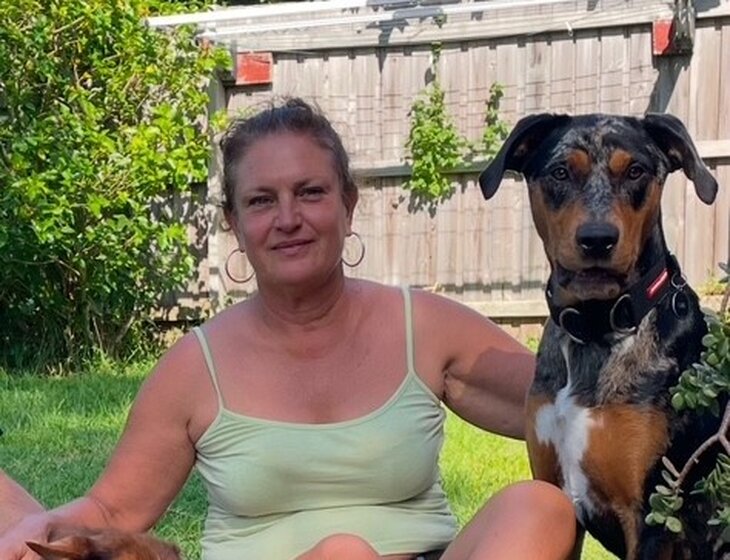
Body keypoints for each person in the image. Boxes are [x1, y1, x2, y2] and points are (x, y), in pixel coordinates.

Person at [0, 98, 576, 560]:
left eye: (310, 192)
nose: (288, 219)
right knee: (344, 553)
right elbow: (112, 511)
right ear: (234, 223)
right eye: (261, 200)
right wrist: (38, 525)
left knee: (540, 507)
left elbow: (575, 407)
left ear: (348, 204)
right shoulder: (195, 367)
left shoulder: (424, 326)